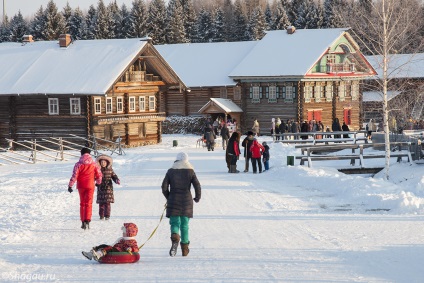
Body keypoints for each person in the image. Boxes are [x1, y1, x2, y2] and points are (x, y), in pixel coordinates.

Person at [161, 152, 201, 257]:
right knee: (185, 225)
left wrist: (168, 196)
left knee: (174, 223)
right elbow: (197, 185)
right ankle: (185, 248)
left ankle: (175, 237)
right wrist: (197, 197)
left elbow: (164, 187)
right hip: (187, 201)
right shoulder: (190, 171)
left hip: (173, 199)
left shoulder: (170, 171)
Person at [68, 147, 102, 230]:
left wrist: (70, 185)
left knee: (82, 203)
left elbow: (74, 175)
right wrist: (98, 183)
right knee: (88, 203)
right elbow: (99, 174)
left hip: (81, 186)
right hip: (90, 185)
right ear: (89, 154)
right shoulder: (94, 164)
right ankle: (87, 220)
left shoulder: (78, 164)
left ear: (81, 154)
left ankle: (83, 221)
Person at [95, 155, 120, 220]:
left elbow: (114, 176)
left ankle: (107, 215)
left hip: (108, 187)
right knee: (101, 203)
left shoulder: (110, 169)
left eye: (104, 162)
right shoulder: (98, 170)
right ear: (99, 163)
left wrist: (116, 180)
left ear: (107, 163)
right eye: (102, 162)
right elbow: (94, 177)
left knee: (107, 203)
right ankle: (101, 215)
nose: (103, 163)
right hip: (100, 187)